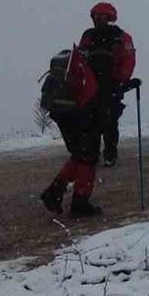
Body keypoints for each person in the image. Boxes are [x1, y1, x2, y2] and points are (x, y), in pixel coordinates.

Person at [39, 47, 105, 217]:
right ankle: (79, 202)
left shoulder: (77, 62)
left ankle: (54, 193)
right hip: (77, 113)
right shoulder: (90, 65)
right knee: (88, 156)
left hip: (63, 113)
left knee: (80, 154)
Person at [79, 2, 137, 167]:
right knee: (90, 121)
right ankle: (92, 153)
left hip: (112, 84)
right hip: (91, 85)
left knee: (110, 120)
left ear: (109, 17)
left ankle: (110, 153)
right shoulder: (88, 35)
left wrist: (122, 80)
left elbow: (129, 60)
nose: (97, 19)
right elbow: (80, 58)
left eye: (101, 15)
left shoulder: (121, 36)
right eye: (95, 16)